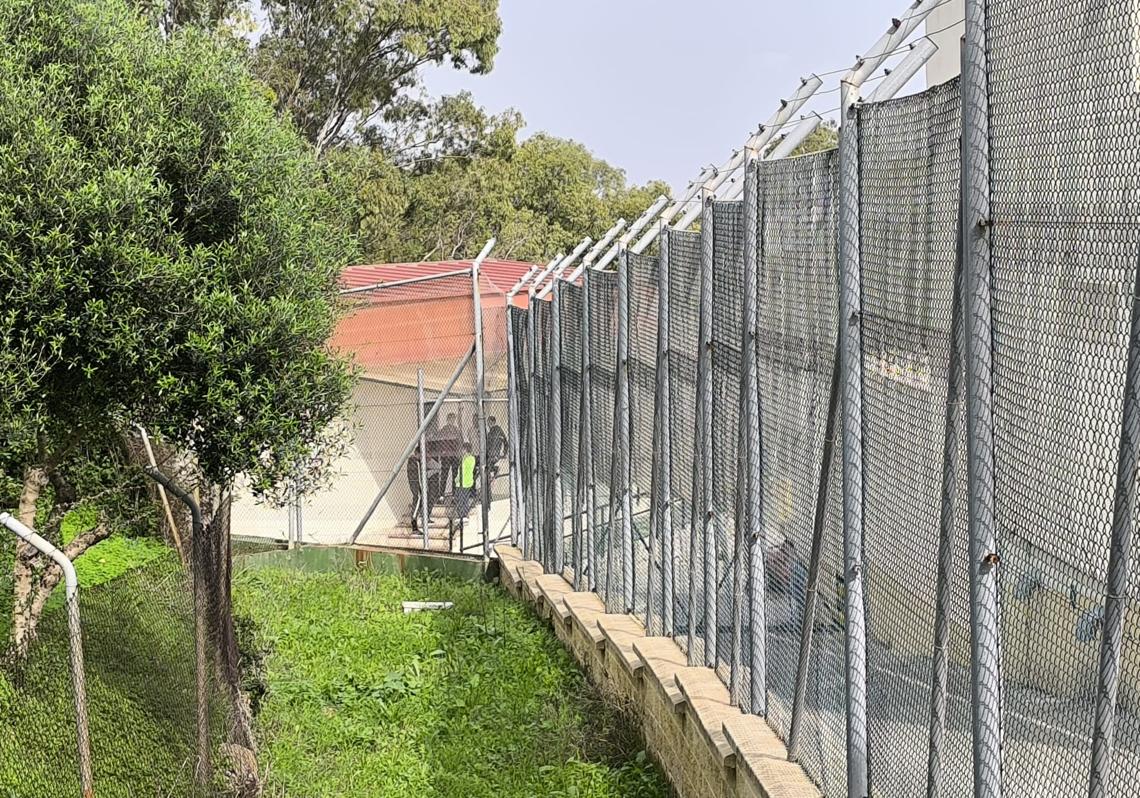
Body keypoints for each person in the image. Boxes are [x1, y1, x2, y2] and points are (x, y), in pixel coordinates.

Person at [437, 412, 462, 496]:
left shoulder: (457, 430)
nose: (452, 421)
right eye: (450, 419)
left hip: (454, 455)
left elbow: (460, 442)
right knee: (444, 475)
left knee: (455, 475)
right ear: (447, 420)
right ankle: (441, 495)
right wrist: (442, 452)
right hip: (446, 455)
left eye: (453, 419)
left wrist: (459, 453)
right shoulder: (443, 430)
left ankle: (454, 494)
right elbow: (439, 442)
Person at [486, 415, 507, 484]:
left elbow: (505, 441)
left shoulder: (497, 430)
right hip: (491, 453)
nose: (488, 424)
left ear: (493, 422)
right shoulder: (490, 432)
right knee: (486, 467)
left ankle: (495, 469)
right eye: (488, 423)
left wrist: (504, 452)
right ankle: (490, 478)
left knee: (487, 466)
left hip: (494, 453)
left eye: (489, 422)